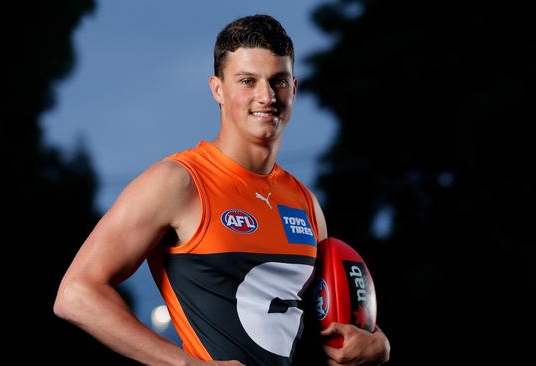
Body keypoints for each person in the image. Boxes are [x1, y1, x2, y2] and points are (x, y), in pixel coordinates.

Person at [54, 14, 390, 366]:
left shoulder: (305, 203)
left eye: (278, 80)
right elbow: (76, 293)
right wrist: (187, 365)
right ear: (217, 88)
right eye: (248, 80)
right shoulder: (178, 181)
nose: (266, 96)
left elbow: (321, 332)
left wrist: (377, 347)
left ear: (294, 88)